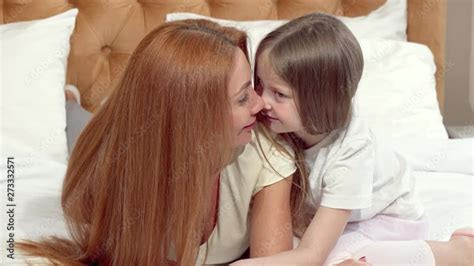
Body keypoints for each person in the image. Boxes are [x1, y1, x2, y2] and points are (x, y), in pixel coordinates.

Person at [17, 19, 307, 265]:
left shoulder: (268, 152)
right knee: (75, 127)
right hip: (116, 134)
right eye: (244, 97)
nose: (260, 105)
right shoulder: (115, 167)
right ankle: (70, 101)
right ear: (195, 118)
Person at [234, 13, 474, 265]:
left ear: (321, 99)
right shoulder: (280, 126)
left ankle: (460, 250)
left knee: (346, 259)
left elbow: (312, 255)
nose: (262, 101)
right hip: (330, 219)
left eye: (279, 94)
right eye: (260, 85)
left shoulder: (351, 154)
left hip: (382, 220)